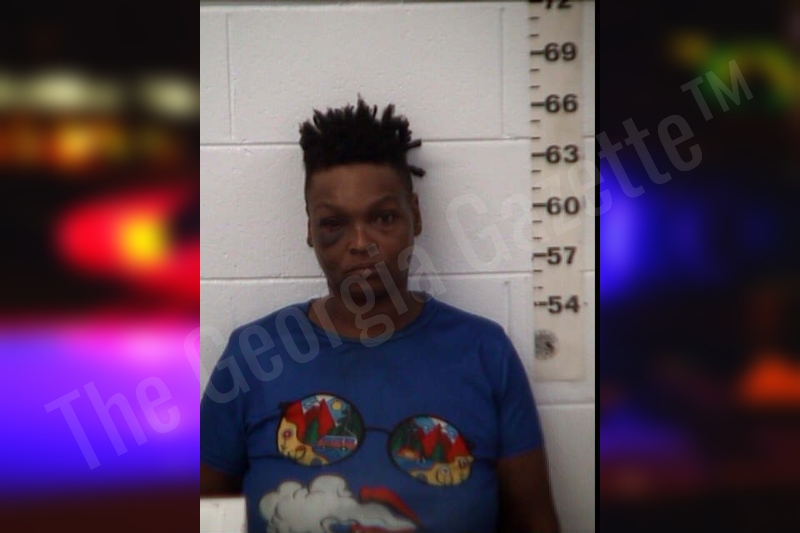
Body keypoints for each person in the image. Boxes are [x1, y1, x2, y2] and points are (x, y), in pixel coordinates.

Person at [200, 97, 560, 533]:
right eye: (334, 223)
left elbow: (536, 523)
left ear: (415, 217)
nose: (360, 243)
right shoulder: (253, 356)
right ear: (310, 229)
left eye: (383, 217)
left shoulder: (485, 353)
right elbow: (204, 516)